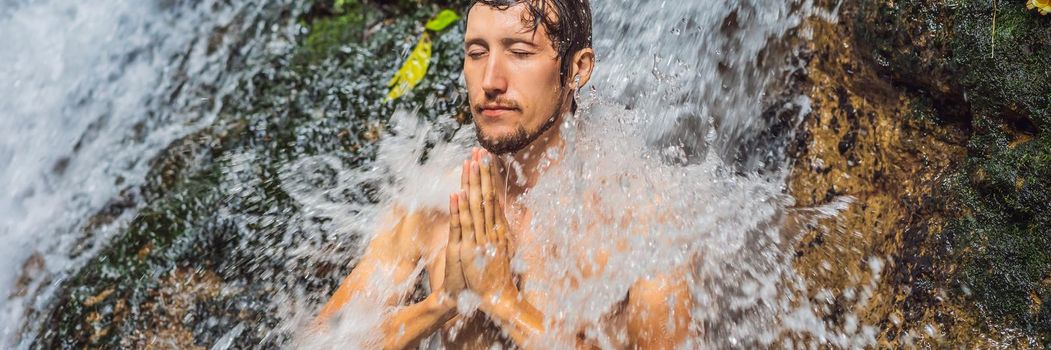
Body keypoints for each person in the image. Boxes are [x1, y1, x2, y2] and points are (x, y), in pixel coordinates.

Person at [315, 1, 692, 348]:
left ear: (578, 68)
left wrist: (502, 301)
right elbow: (320, 343)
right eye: (477, 53)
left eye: (520, 53)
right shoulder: (434, 202)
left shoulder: (642, 216)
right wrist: (442, 303)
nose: (491, 80)